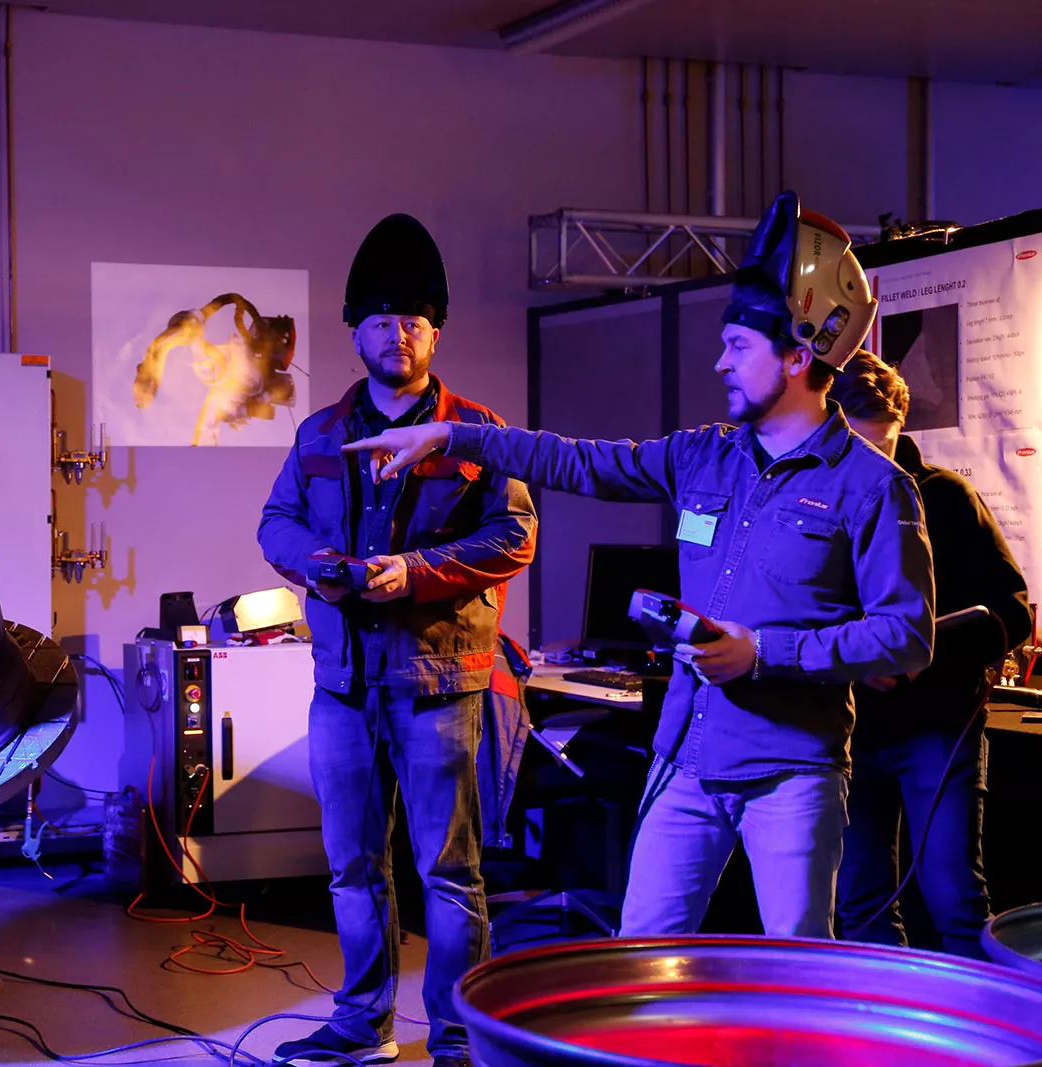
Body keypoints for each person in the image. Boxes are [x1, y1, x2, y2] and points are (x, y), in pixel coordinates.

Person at [340, 192, 936, 940]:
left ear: (798, 355)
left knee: (795, 964)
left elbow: (907, 636)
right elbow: (578, 461)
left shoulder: (874, 487)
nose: (720, 361)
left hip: (793, 775)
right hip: (685, 758)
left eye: (738, 346)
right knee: (642, 959)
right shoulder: (704, 455)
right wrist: (453, 436)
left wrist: (762, 651)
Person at [258, 213, 537, 1067]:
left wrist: (413, 572)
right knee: (352, 865)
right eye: (382, 320)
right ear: (357, 331)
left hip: (439, 686)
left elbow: (515, 534)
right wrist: (315, 564)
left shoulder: (477, 432)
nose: (397, 334)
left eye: (413, 320)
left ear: (434, 331)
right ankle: (361, 1023)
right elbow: (276, 521)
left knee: (449, 870)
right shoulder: (319, 434)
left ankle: (454, 1036)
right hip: (343, 685)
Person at [830, 351, 1030, 957]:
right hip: (848, 733)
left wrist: (919, 655)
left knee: (955, 900)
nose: (875, 468)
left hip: (938, 728)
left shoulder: (947, 497)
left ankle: (979, 1020)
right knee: (860, 902)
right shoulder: (816, 500)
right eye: (859, 451)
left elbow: (1013, 610)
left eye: (883, 448)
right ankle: (878, 1018)